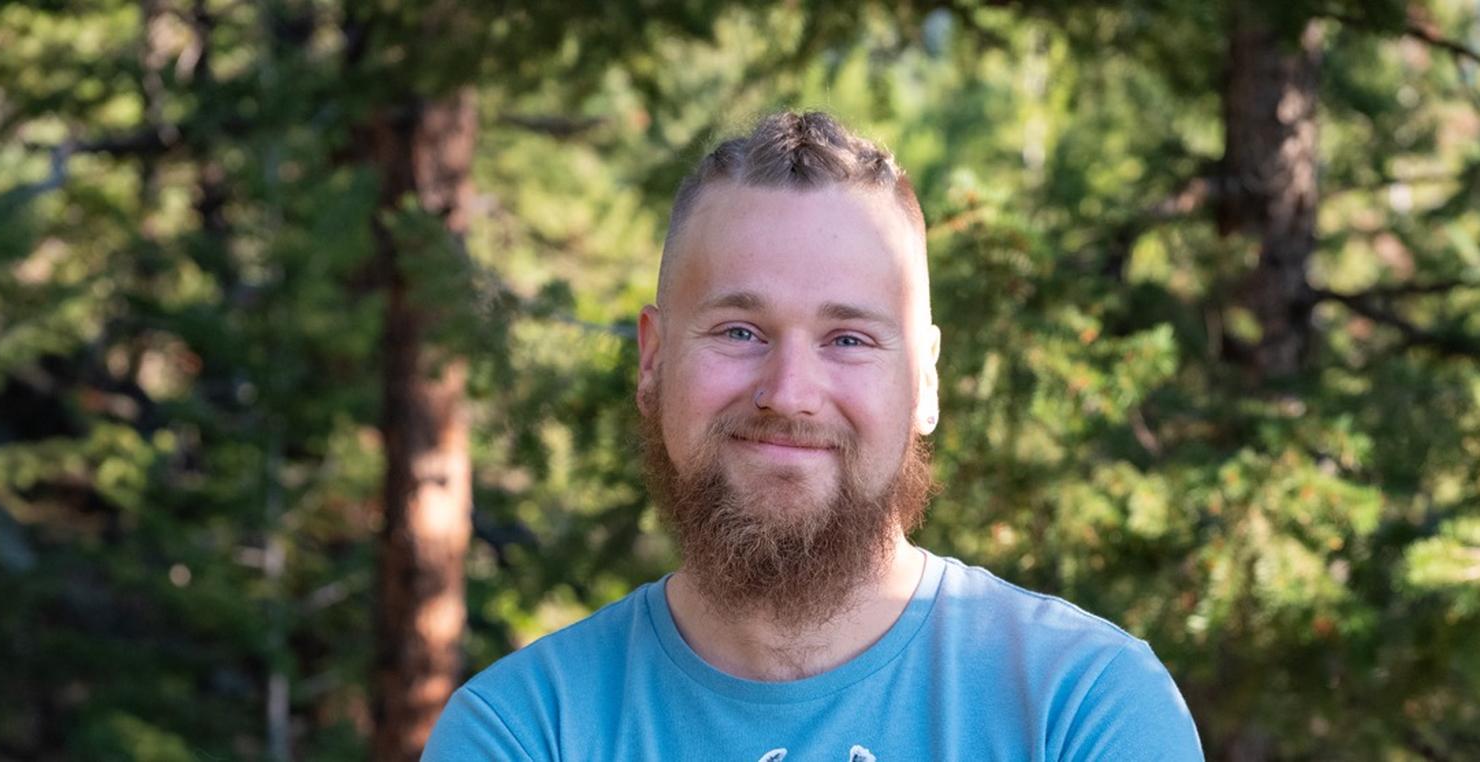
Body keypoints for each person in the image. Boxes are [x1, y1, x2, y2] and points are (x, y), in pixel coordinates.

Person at [423, 111, 1203, 760]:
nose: (790, 394)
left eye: (850, 339)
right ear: (654, 360)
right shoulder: (525, 733)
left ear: (926, 379)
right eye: (738, 330)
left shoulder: (1082, 711)